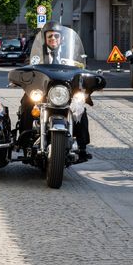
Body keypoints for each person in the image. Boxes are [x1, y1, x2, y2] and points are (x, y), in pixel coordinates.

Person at [19, 22, 92, 162]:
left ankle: (82, 146)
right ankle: (25, 142)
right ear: (45, 39)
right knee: (26, 103)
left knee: (80, 109)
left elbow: (80, 69)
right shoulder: (37, 54)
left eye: (56, 36)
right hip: (42, 91)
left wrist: (86, 79)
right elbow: (28, 69)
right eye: (50, 36)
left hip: (64, 92)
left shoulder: (71, 55)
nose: (53, 38)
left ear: (62, 39)